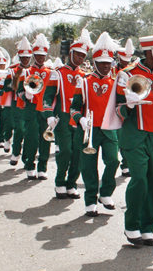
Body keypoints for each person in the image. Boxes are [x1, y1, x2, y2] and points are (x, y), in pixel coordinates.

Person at [103, 10, 153, 247]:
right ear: (149, 52)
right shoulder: (126, 74)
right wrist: (128, 104)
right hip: (135, 135)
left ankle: (148, 227)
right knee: (140, 180)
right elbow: (117, 111)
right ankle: (132, 225)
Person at [71, 32, 120, 216]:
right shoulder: (83, 82)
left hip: (109, 130)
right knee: (89, 167)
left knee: (114, 161)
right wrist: (80, 119)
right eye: (103, 63)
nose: (107, 66)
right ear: (95, 63)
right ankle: (91, 200)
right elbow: (73, 109)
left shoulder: (115, 83)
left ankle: (105, 192)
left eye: (109, 63)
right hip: (89, 131)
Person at [42, 29, 91, 198]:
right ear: (70, 54)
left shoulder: (85, 76)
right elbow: (48, 96)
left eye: (83, 56)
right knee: (65, 152)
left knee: (78, 152)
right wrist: (48, 114)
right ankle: (60, 182)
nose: (81, 59)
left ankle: (72, 183)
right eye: (78, 55)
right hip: (63, 118)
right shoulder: (58, 73)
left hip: (78, 119)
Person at [18, 34, 52, 179]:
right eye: (37, 55)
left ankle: (42, 167)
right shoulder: (26, 72)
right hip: (31, 109)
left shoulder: (51, 73)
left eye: (43, 55)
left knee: (46, 139)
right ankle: (30, 164)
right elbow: (19, 91)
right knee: (31, 138)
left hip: (45, 109)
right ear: (34, 55)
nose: (40, 58)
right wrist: (26, 95)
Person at [5, 37, 33, 165]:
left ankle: (26, 157)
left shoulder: (33, 71)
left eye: (28, 57)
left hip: (31, 105)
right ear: (20, 57)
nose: (26, 60)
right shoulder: (13, 70)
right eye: (23, 57)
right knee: (20, 129)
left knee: (29, 132)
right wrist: (13, 84)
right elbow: (5, 87)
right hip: (17, 104)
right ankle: (16, 153)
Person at [115, 39, 135, 176]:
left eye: (128, 60)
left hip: (126, 101)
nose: (125, 63)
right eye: (123, 60)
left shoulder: (131, 71)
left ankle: (126, 164)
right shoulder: (111, 69)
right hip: (113, 102)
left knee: (125, 134)